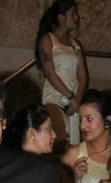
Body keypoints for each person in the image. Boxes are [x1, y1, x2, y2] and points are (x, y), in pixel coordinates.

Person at [35, 0, 88, 146]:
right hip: (55, 98)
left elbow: (83, 77)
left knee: (76, 141)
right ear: (61, 17)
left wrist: (77, 99)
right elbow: (50, 74)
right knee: (59, 140)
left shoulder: (76, 44)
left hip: (74, 102)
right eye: (73, 13)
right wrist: (70, 96)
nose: (77, 17)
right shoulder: (48, 40)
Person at [62, 89, 111, 183]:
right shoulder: (74, 154)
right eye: (81, 119)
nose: (82, 126)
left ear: (108, 121)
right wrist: (73, 180)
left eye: (89, 119)